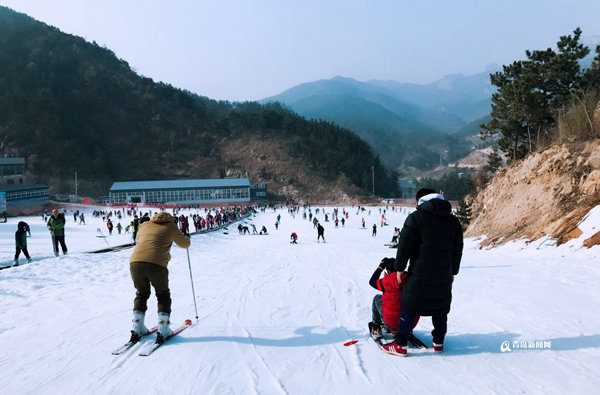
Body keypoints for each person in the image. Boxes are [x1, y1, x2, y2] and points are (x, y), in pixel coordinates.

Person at [382, 188, 463, 357]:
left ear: (418, 201)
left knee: (409, 303)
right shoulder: (453, 221)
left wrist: (399, 268)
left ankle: (400, 344)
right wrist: (453, 271)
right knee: (440, 306)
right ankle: (438, 343)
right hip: (443, 273)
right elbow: (457, 249)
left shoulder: (416, 218)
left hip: (420, 272)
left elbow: (405, 245)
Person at [129, 212, 191, 344]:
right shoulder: (171, 227)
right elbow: (185, 244)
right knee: (163, 295)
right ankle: (163, 329)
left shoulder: (145, 225)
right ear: (170, 219)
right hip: (156, 264)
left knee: (141, 293)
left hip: (135, 262)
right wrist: (186, 238)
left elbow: (140, 239)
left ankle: (137, 326)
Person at [368, 258, 418, 338]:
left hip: (392, 324)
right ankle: (405, 329)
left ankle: (376, 329)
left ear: (388, 271)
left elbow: (372, 281)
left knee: (377, 298)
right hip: (410, 323)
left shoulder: (386, 282)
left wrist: (381, 267)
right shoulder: (410, 279)